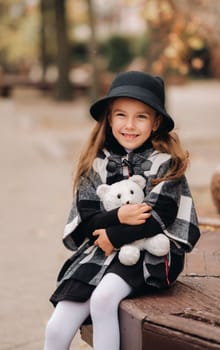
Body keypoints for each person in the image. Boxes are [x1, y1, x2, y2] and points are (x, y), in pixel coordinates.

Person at [44, 71, 200, 350]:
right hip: (99, 253)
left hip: (149, 254)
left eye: (141, 116)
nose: (130, 125)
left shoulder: (165, 163)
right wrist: (118, 216)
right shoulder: (97, 164)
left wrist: (113, 236)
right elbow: (85, 221)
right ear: (108, 118)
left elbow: (158, 217)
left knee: (104, 300)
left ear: (156, 122)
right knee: (56, 328)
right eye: (121, 115)